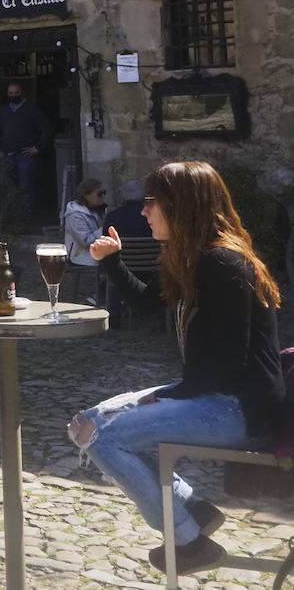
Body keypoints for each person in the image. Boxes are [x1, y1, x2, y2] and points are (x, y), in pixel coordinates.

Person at [68, 161, 285, 576]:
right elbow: (148, 305)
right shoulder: (189, 256)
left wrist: (163, 395)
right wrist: (113, 261)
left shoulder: (223, 263)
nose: (144, 211)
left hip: (239, 406)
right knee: (88, 421)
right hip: (211, 391)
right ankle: (193, 509)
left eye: (152, 202)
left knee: (104, 436)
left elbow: (229, 362)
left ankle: (187, 540)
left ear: (182, 206)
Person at [0, 83, 53, 215]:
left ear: (22, 93)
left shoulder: (32, 110)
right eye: (11, 93)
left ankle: (25, 216)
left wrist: (36, 148)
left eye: (16, 93)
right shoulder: (4, 111)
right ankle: (11, 215)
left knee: (26, 186)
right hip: (7, 155)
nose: (13, 96)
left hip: (25, 155)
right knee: (7, 186)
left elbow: (47, 130)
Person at [62, 179, 108, 307]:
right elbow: (85, 241)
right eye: (99, 194)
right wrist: (106, 227)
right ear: (86, 195)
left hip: (98, 250)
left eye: (104, 193)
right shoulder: (75, 215)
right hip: (82, 254)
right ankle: (99, 297)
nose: (103, 197)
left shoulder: (98, 210)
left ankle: (106, 297)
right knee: (112, 266)